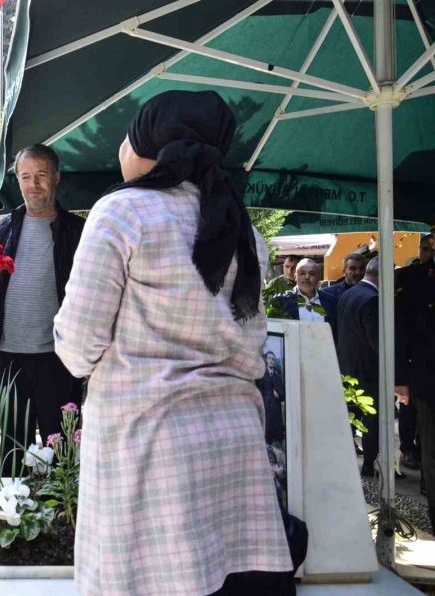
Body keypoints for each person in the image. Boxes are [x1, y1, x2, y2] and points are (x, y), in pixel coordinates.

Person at [53, 91, 294, 595]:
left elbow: (77, 345)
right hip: (233, 442)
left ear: (150, 145)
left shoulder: (123, 212)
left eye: (128, 136)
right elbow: (252, 339)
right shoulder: (242, 229)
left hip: (148, 446)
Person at [0, 144, 85, 475]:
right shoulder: (6, 228)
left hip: (59, 358)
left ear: (56, 178)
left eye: (41, 175)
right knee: (13, 452)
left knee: (61, 451)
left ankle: (62, 507)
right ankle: (13, 504)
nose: (33, 184)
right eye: (25, 177)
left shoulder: (76, 231)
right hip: (11, 357)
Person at [396, 242, 435, 529]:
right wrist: (400, 378)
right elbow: (401, 331)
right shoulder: (414, 278)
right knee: (432, 450)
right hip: (428, 376)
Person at [336, 257, 381, 477]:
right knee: (371, 421)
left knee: (349, 420)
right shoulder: (372, 299)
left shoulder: (347, 294)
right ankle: (368, 464)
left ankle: (344, 463)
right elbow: (377, 343)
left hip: (346, 369)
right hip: (368, 373)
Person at [271, 258, 338, 334]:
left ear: (318, 278)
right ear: (295, 277)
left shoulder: (331, 301)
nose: (307, 277)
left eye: (312, 274)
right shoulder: (282, 302)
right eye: (302, 273)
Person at [258, 351, 286, 446]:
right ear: (266, 360)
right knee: (267, 437)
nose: (271, 360)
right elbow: (259, 391)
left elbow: (283, 395)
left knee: (278, 437)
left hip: (276, 411)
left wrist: (279, 395)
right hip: (266, 409)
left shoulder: (278, 377)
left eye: (273, 359)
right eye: (269, 358)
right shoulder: (261, 375)